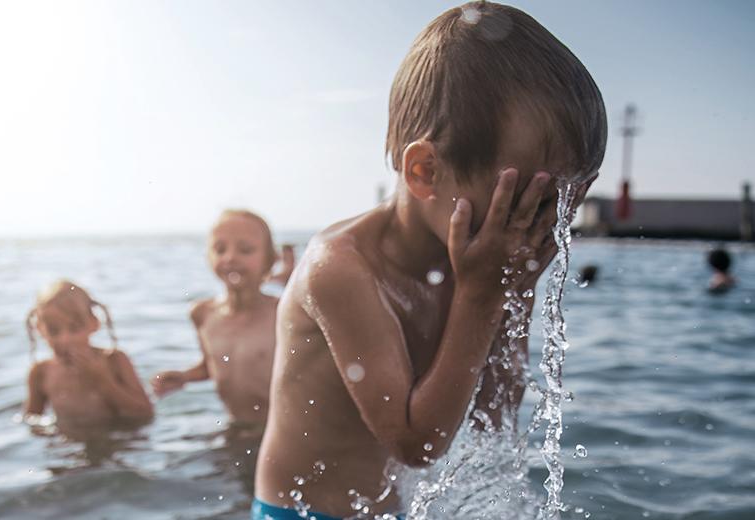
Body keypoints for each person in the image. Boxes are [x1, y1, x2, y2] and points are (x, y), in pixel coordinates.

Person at [253, 2, 606, 518]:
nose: (537, 231)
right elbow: (415, 445)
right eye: (524, 205)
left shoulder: (469, 266)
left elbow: (494, 418)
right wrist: (483, 294)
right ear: (424, 172)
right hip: (297, 514)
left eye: (556, 212)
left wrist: (519, 292)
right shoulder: (342, 268)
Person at [151, 209, 289, 427]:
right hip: (234, 427)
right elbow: (213, 365)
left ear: (270, 260)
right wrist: (185, 376)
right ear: (208, 257)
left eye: (245, 250)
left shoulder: (283, 313)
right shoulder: (203, 313)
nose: (230, 258)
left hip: (281, 432)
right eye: (219, 249)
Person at [24, 280, 154, 428]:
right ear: (39, 329)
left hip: (119, 442)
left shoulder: (114, 360)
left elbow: (145, 412)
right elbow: (31, 419)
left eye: (74, 329)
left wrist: (102, 380)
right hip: (67, 446)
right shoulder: (40, 373)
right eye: (54, 331)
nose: (65, 340)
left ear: (94, 323)